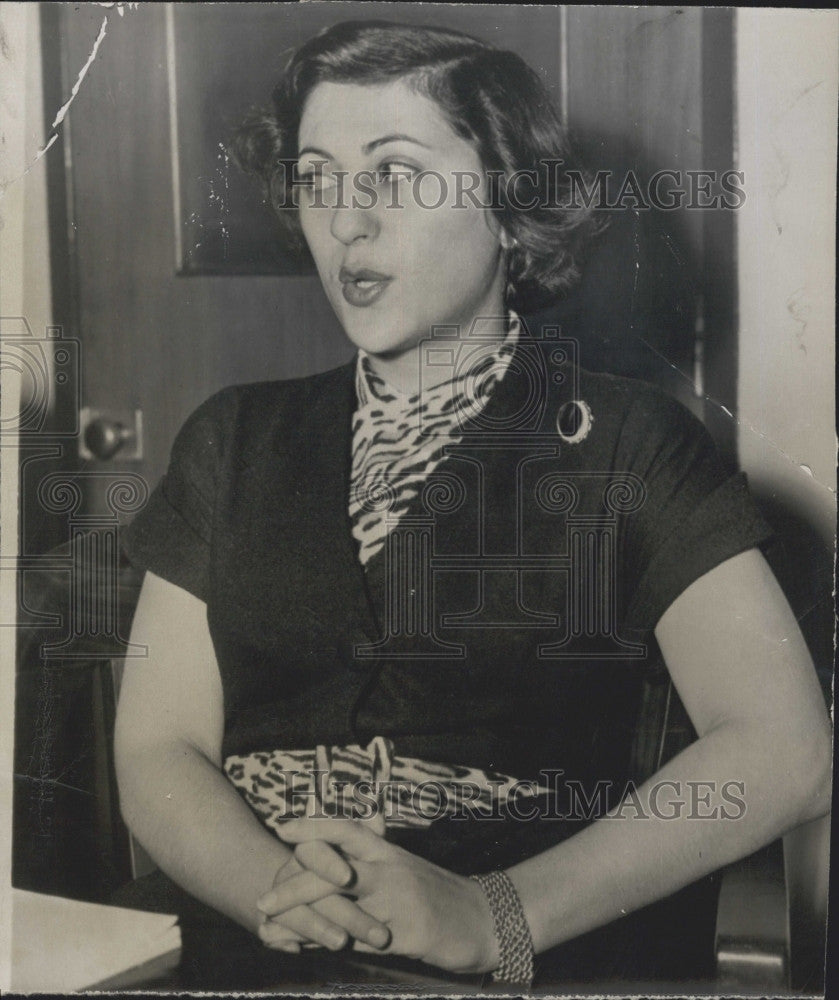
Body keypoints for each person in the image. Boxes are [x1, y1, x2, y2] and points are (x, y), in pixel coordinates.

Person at [115, 20, 831, 986]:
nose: (346, 222)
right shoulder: (232, 440)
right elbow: (158, 747)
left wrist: (497, 915)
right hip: (255, 953)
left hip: (528, 964)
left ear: (507, 207)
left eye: (396, 173)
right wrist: (276, 891)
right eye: (318, 177)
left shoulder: (629, 443)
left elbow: (785, 750)